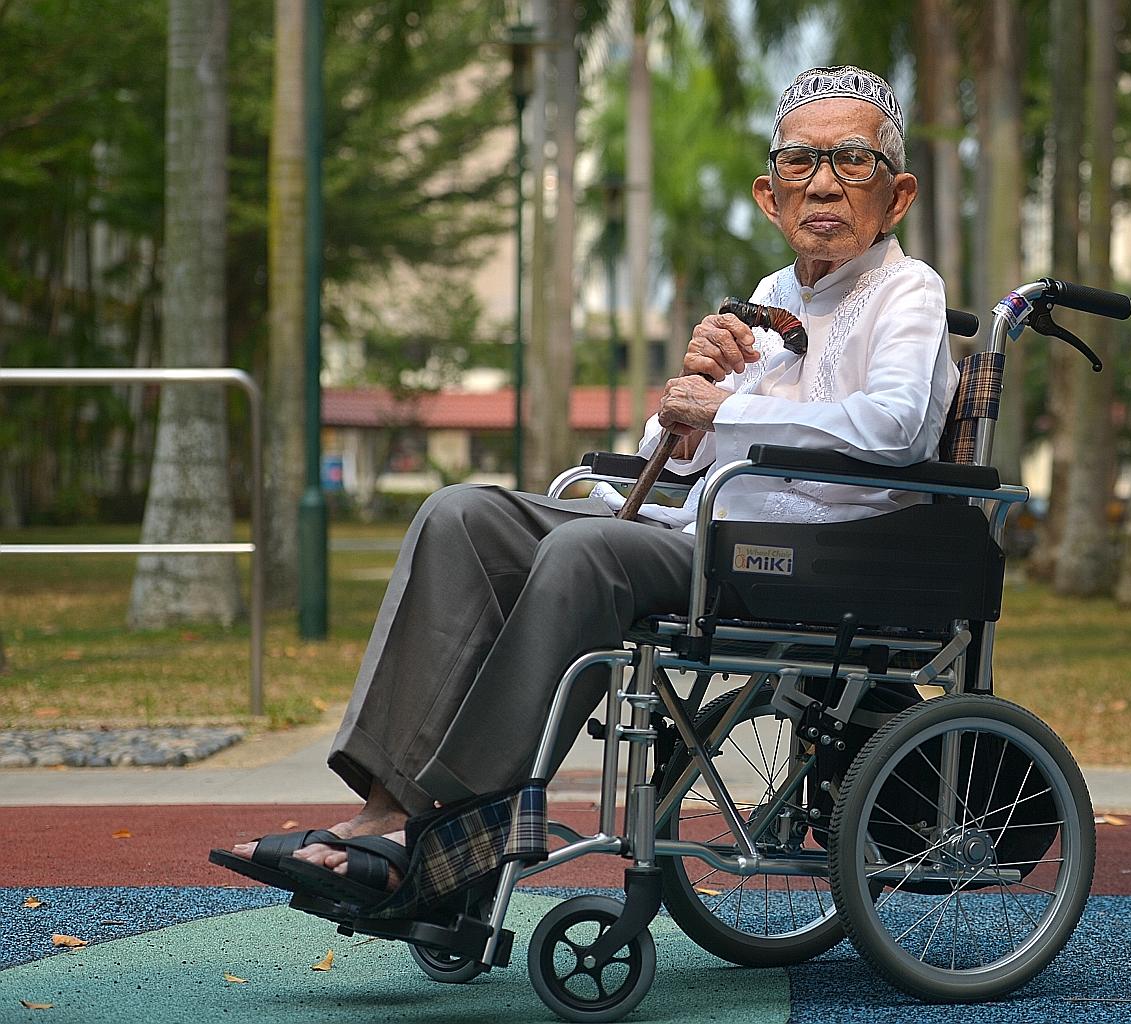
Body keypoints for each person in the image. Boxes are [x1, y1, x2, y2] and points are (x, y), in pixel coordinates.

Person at [220, 65, 957, 896]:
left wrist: (724, 413)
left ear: (895, 197)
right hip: (707, 535)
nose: (823, 183)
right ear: (769, 195)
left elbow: (895, 429)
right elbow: (680, 454)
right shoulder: (770, 295)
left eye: (851, 162)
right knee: (461, 513)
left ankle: (449, 829)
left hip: (815, 556)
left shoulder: (909, 290)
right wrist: (684, 402)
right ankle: (384, 805)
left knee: (584, 552)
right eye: (801, 162)